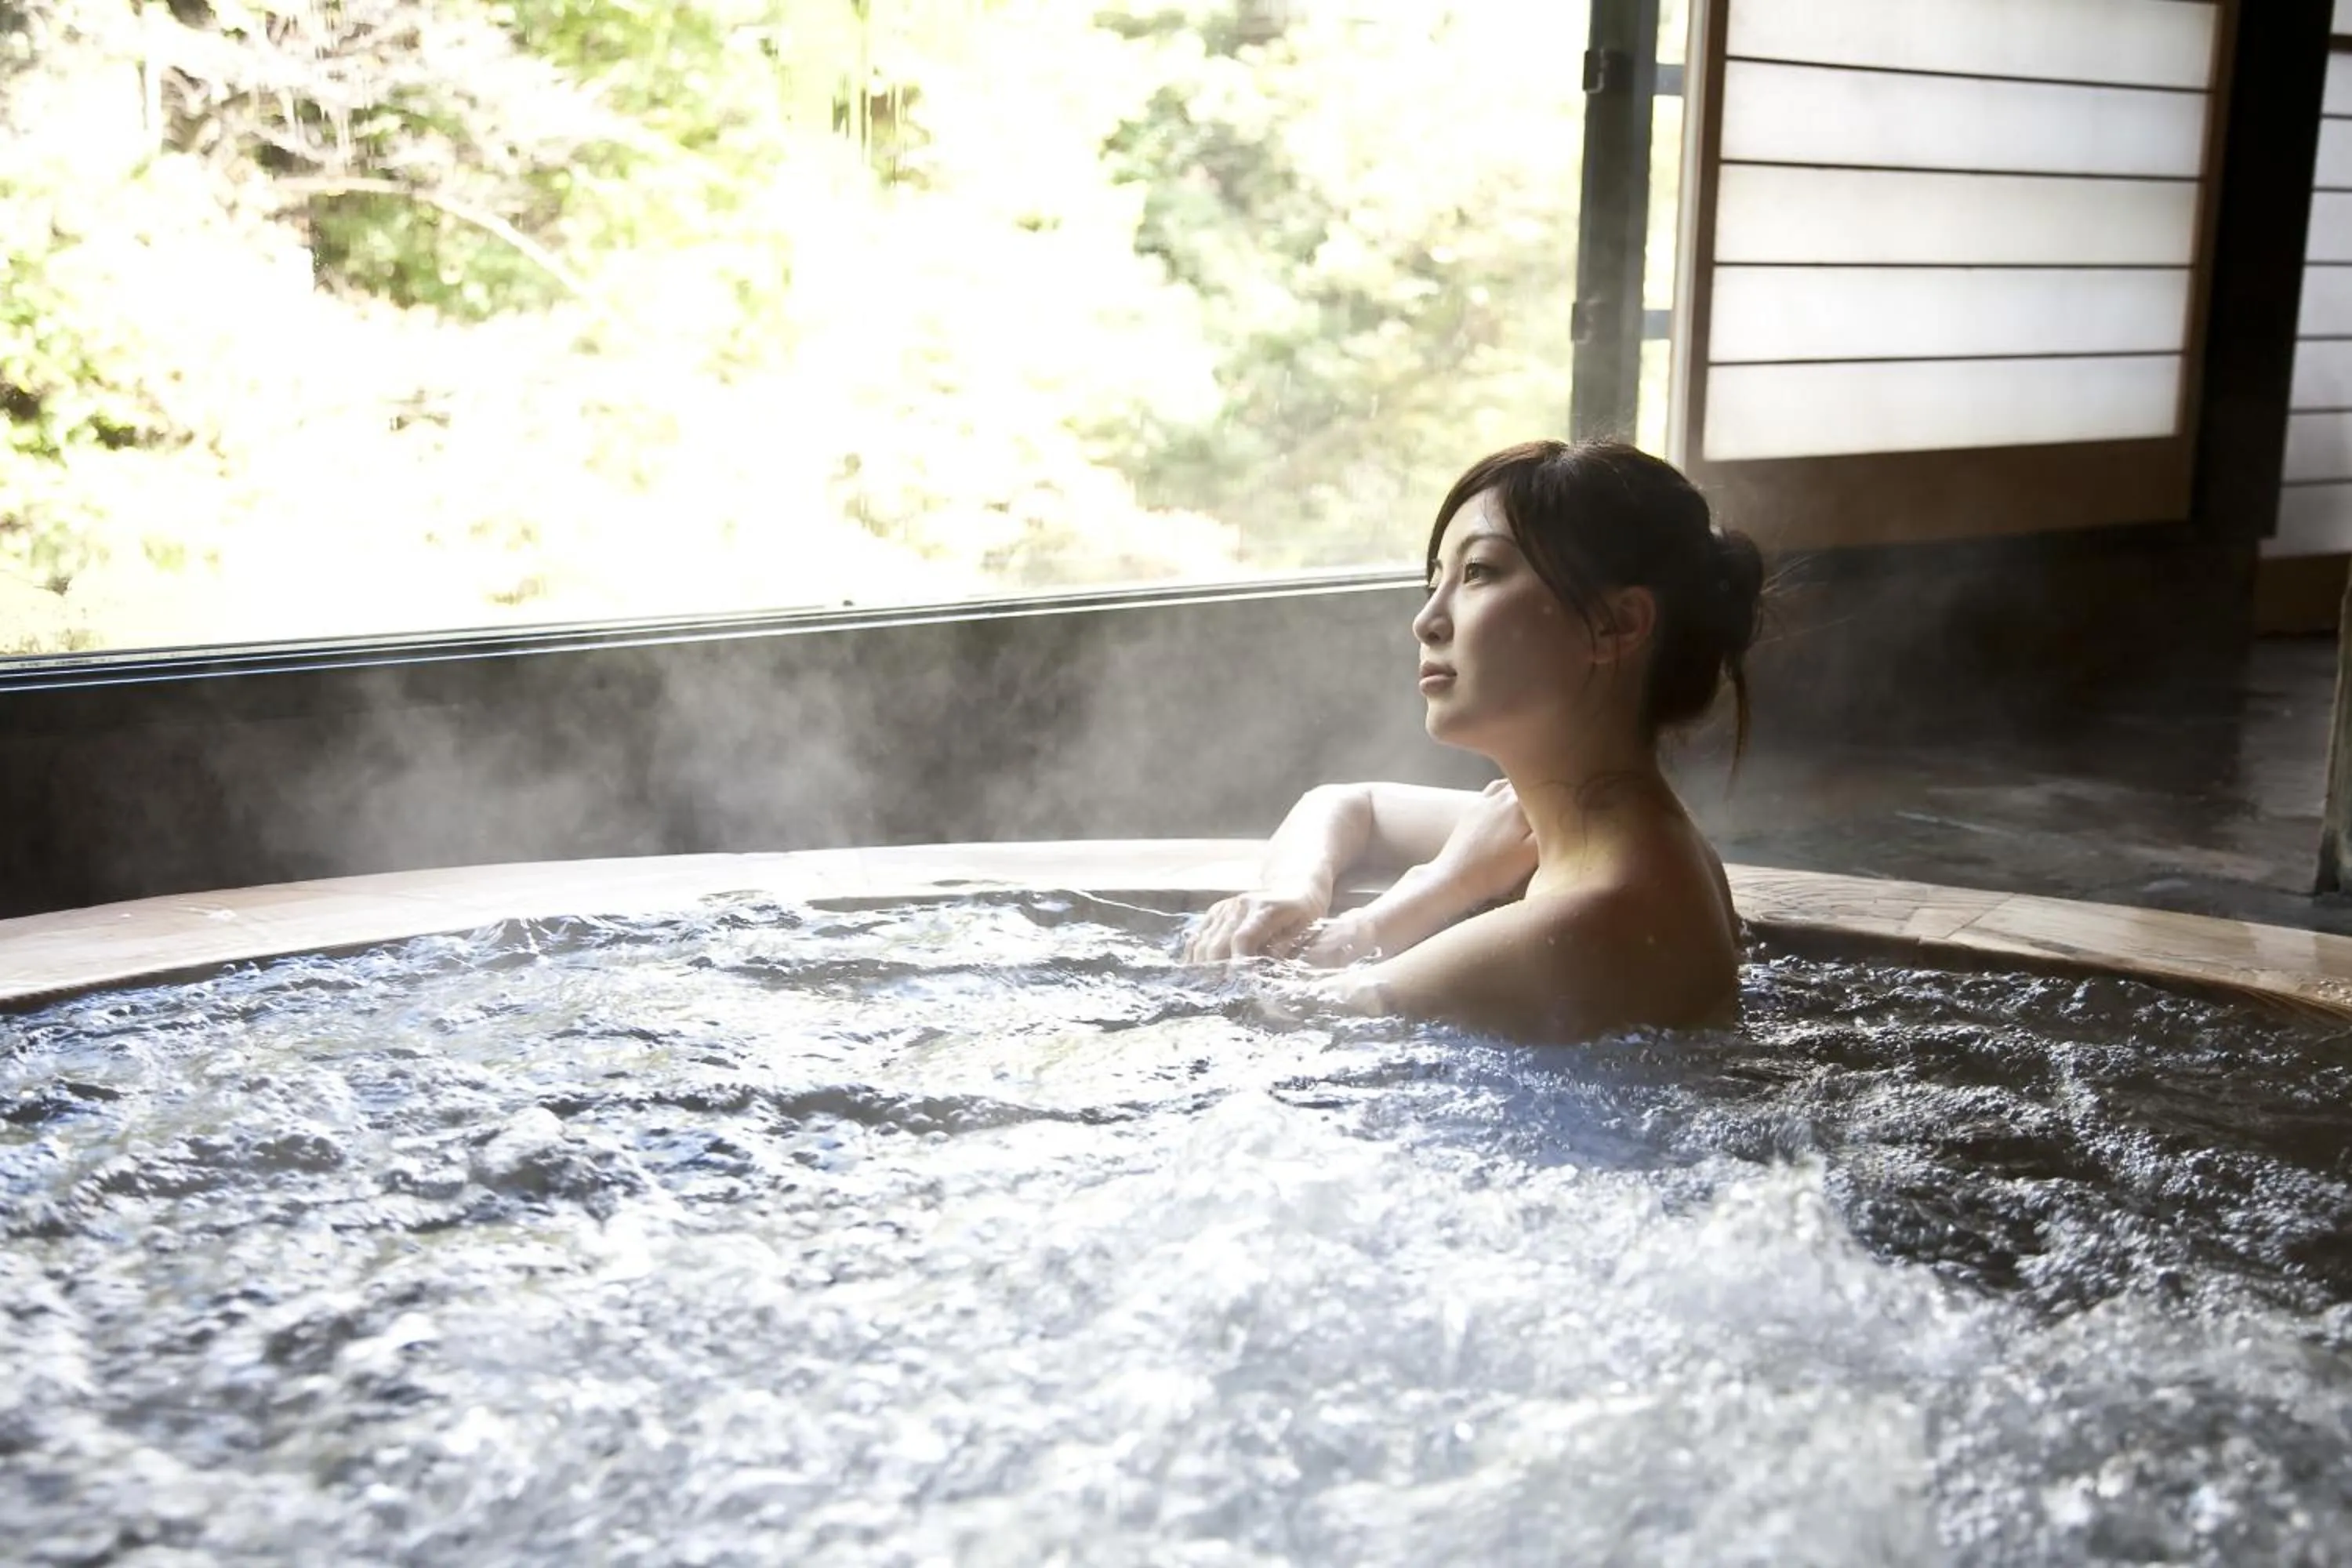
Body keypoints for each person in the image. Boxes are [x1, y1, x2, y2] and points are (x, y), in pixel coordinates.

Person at [1184, 438, 1765, 1043]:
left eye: (1478, 572)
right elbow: (1346, 803)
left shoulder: (1599, 913)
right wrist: (1294, 891)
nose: (1428, 620)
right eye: (1436, 580)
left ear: (1614, 625)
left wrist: (1439, 888)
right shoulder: (1592, 834)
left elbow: (1272, 1012)